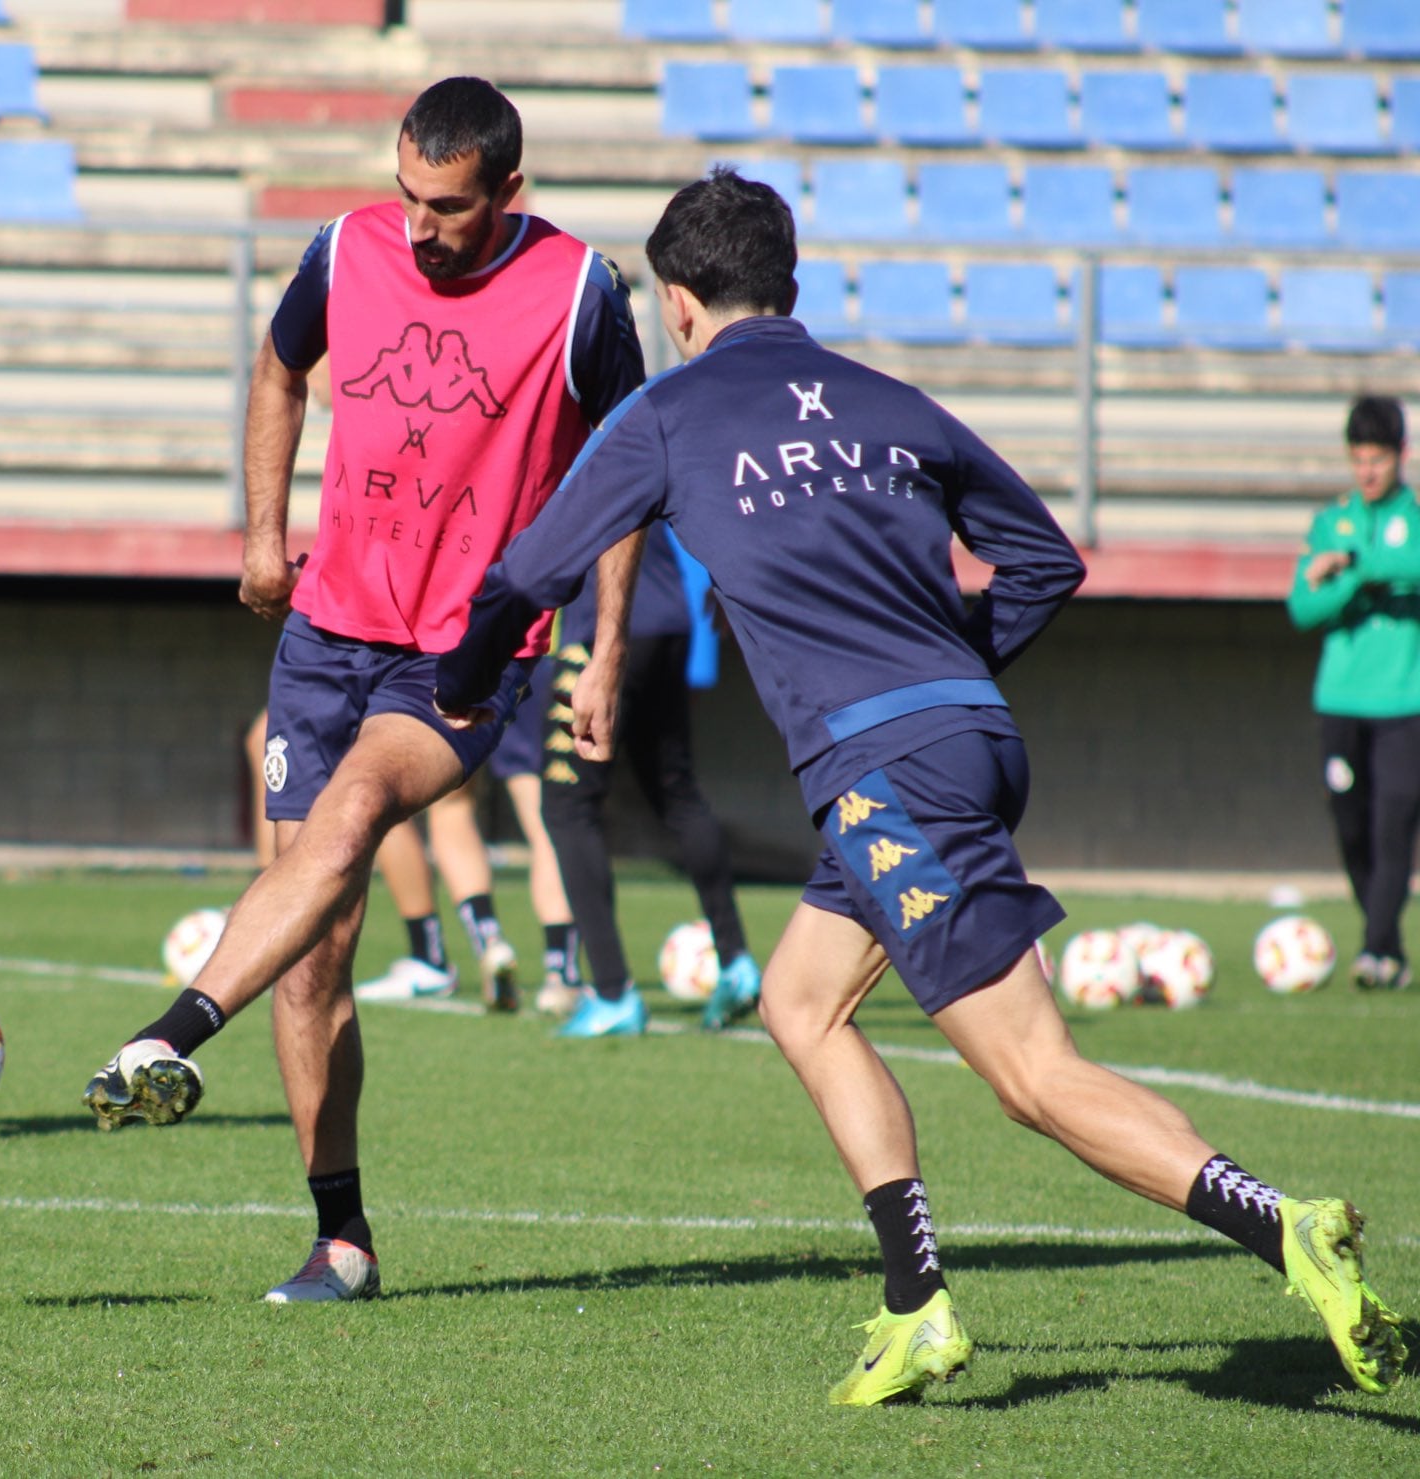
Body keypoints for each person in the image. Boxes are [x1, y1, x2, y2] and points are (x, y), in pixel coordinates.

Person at [437, 170, 1405, 1401]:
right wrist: (948, 677)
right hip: (963, 744)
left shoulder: (671, 416)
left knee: (1029, 1077)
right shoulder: (890, 403)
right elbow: (1044, 562)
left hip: (890, 775)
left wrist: (460, 692)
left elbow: (521, 580)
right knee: (799, 1001)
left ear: (676, 305)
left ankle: (1282, 1224)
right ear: (788, 285)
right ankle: (917, 1303)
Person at [81, 76, 645, 1303]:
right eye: (405, 196)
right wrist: (259, 536)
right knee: (312, 954)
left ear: (507, 191)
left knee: (342, 829)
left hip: (462, 652)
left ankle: (166, 1038)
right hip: (323, 632)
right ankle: (340, 1239)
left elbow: (626, 468)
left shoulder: (581, 295)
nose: (418, 227)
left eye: (444, 207)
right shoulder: (343, 250)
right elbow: (279, 372)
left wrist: (602, 650)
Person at [540, 526, 760, 1036]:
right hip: (670, 625)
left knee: (568, 808)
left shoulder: (567, 448)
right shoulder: (646, 442)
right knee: (677, 794)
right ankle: (736, 961)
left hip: (601, 632)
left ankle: (613, 991)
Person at [1288, 396, 1420, 992]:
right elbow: (1303, 605)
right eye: (1359, 459)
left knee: (1394, 824)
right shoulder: (1331, 521)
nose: (1368, 471)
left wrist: (1355, 565)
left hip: (1404, 701)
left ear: (1402, 456)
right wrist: (1354, 584)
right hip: (1340, 699)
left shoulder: (1412, 519)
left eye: (1380, 459)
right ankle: (1387, 948)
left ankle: (1373, 951)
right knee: (1351, 828)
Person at [355, 695, 586, 1014]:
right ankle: (562, 972)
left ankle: (488, 941)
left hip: (451, 670)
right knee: (541, 818)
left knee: (450, 808)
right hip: (531, 666)